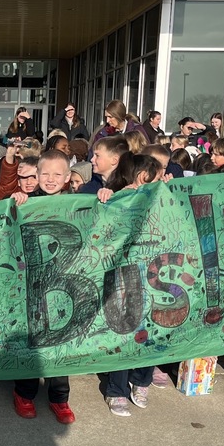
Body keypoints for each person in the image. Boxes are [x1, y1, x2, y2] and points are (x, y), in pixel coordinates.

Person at [94, 154, 166, 416]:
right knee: (124, 331)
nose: (160, 181)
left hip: (154, 273)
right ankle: (117, 389)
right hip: (124, 276)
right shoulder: (120, 197)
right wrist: (108, 196)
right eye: (156, 176)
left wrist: (168, 189)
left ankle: (142, 380)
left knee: (152, 329)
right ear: (141, 176)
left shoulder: (159, 197)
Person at [9, 150, 77, 425]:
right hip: (32, 286)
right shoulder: (28, 201)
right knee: (32, 340)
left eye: (57, 174)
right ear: (36, 175)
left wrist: (105, 194)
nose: (50, 179)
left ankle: (59, 397)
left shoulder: (78, 202)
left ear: (67, 177)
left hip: (65, 284)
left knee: (62, 341)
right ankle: (24, 393)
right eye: (44, 174)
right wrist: (16, 202)